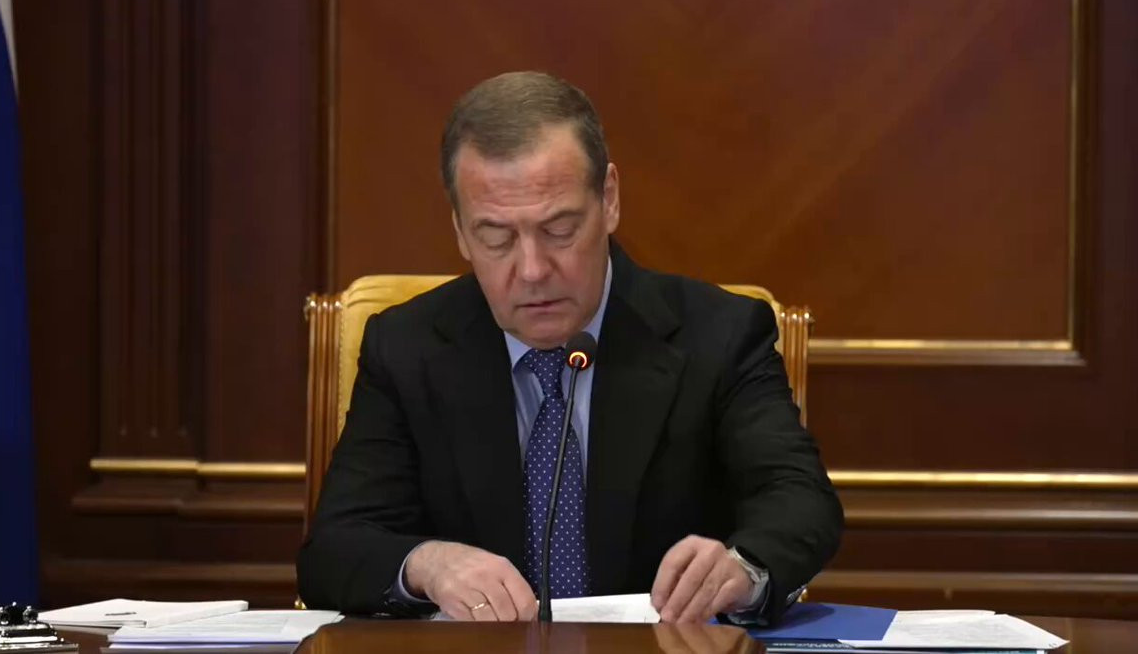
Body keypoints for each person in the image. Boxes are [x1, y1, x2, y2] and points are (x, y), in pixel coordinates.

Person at [297, 71, 842, 624]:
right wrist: (426, 563)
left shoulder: (717, 335)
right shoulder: (406, 347)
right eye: (496, 238)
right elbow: (333, 550)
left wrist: (741, 569)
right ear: (460, 230)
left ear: (608, 199)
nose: (533, 270)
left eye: (559, 229)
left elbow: (800, 500)